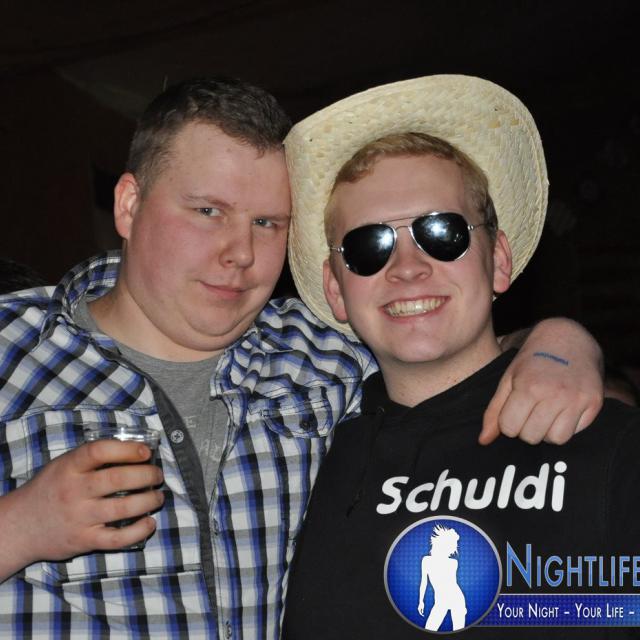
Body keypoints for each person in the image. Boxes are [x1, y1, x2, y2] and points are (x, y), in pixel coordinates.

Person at [0, 76, 603, 639]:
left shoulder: (317, 353)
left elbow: (445, 340)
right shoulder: (12, 345)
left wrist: (560, 340)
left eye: (267, 222)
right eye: (208, 211)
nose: (240, 251)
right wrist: (21, 527)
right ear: (129, 205)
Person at [282, 75, 640, 638]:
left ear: (498, 260)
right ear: (336, 289)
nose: (407, 268)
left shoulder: (609, 447)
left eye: (441, 232)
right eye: (369, 245)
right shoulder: (300, 459)